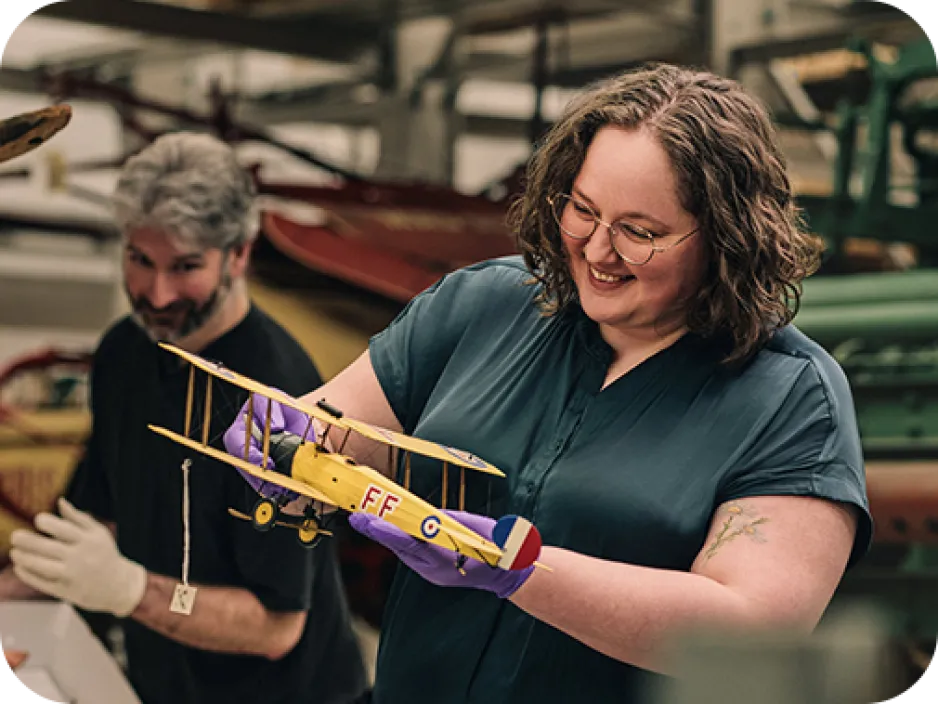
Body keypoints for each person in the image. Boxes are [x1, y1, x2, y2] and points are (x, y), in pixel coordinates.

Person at [225, 63, 873, 703]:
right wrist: (277, 441)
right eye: (582, 211)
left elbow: (752, 634)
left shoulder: (790, 398)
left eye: (640, 233)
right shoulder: (483, 307)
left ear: (729, 238)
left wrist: (521, 570)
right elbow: (333, 426)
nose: (597, 250)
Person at [1, 131, 368, 704]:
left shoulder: (274, 399)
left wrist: (130, 591)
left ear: (239, 255)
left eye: (186, 266)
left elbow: (277, 626)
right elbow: (100, 521)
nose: (158, 292)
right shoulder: (126, 351)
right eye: (140, 259)